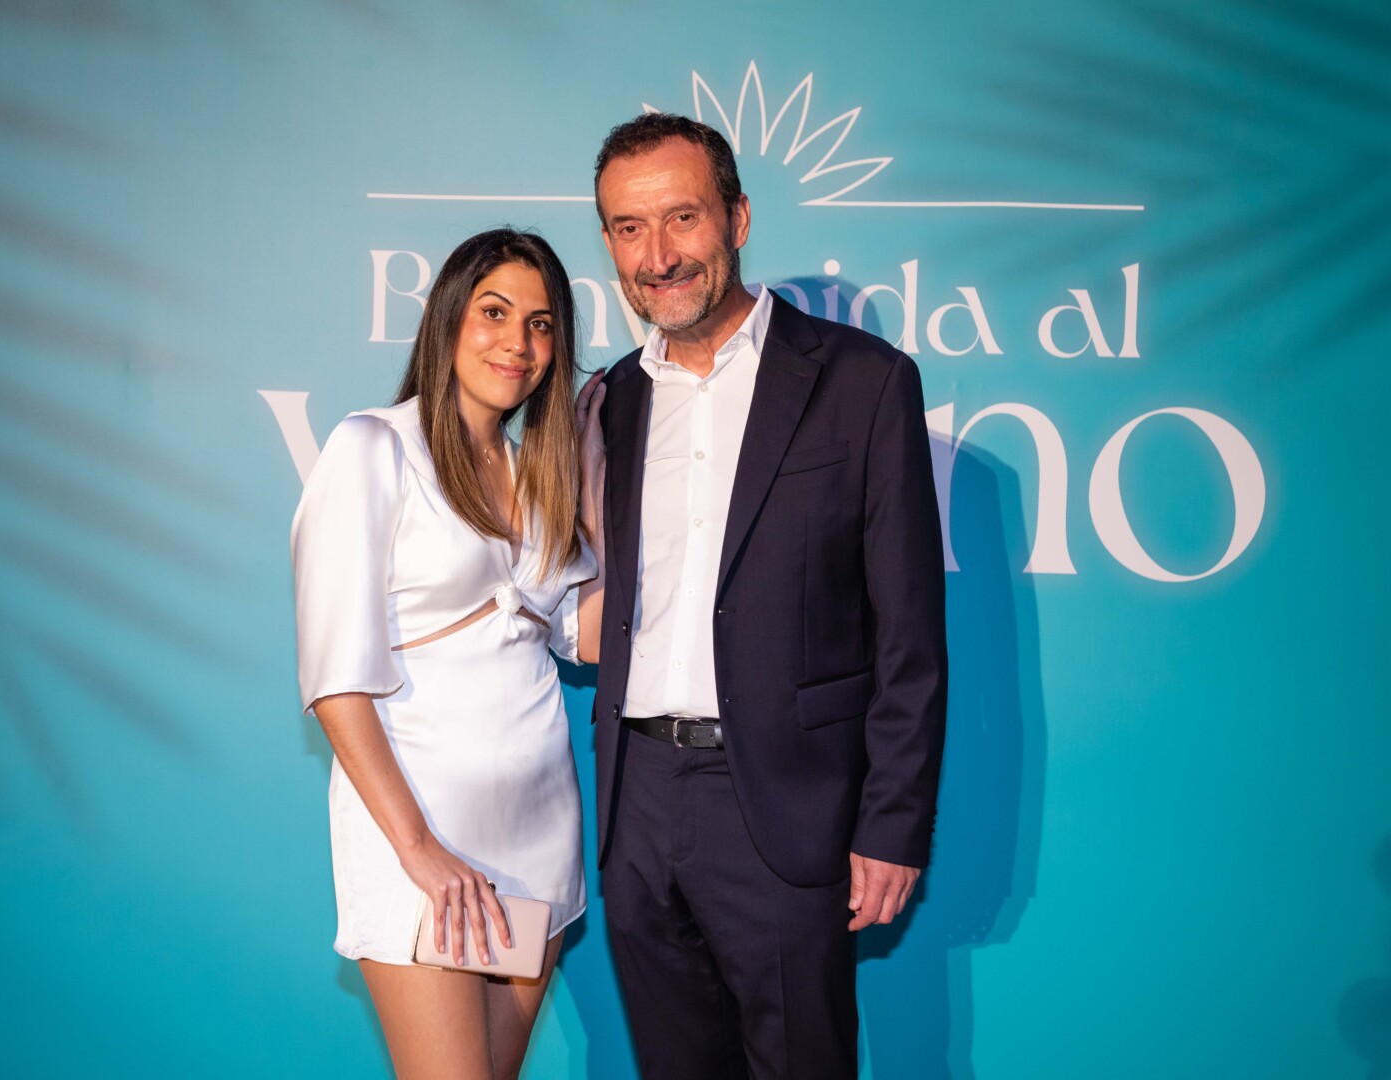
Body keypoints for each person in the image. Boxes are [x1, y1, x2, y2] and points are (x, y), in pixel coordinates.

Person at [586, 113, 949, 1079]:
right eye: (628, 228)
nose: (658, 256)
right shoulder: (611, 401)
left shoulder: (864, 383)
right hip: (637, 805)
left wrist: (892, 823)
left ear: (737, 219)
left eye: (682, 218)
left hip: (788, 807)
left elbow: (909, 632)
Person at [290, 228, 607, 1080]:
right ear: (447, 319)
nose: (518, 343)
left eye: (542, 325)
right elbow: (336, 683)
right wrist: (420, 850)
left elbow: (587, 637)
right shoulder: (374, 447)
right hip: (423, 841)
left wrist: (608, 492)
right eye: (495, 313)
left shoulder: (537, 474)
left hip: (537, 831)